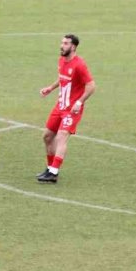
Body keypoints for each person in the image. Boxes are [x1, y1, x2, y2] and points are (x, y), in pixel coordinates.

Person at [37, 34, 96, 184]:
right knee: (47, 137)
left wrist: (79, 102)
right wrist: (50, 88)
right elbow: (62, 77)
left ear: (73, 46)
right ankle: (50, 169)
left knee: (61, 135)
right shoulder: (62, 60)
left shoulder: (79, 65)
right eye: (61, 43)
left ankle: (54, 172)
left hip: (72, 109)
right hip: (60, 106)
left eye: (65, 43)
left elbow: (91, 86)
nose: (61, 46)